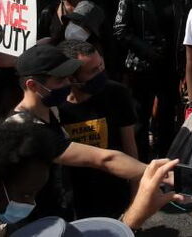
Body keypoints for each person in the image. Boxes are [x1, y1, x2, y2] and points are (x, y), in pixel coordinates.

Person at [9, 44, 146, 220]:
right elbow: (104, 159)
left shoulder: (52, 111)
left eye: (101, 67)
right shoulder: (26, 128)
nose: (67, 84)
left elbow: (127, 147)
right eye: (60, 80)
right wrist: (158, 174)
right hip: (48, 218)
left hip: (88, 203)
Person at [114, 0, 190, 161]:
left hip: (170, 67)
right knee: (140, 117)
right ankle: (140, 160)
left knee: (167, 117)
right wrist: (146, 49)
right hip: (141, 68)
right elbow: (120, 30)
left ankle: (165, 158)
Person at [57, 41, 138, 220]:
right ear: (71, 78)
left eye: (101, 65)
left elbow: (130, 146)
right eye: (93, 71)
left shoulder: (117, 94)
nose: (101, 73)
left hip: (113, 195)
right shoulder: (55, 107)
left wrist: (136, 198)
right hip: (74, 201)